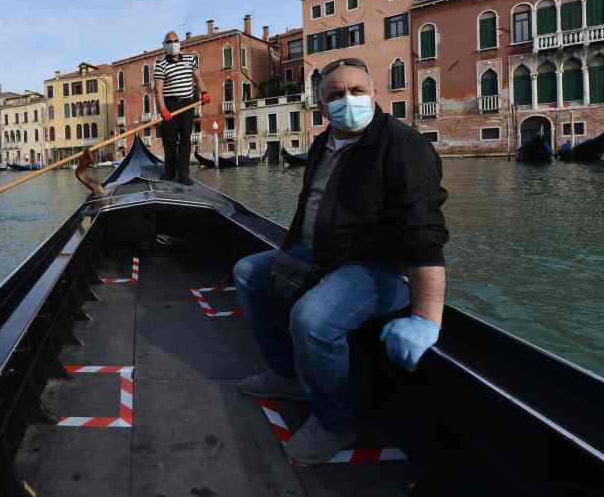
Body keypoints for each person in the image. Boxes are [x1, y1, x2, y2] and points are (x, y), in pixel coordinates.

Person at [233, 58, 448, 465]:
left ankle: (334, 421)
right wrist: (293, 252)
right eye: (335, 95)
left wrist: (426, 317)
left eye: (356, 91)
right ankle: (287, 374)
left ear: (374, 95)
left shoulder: (403, 144)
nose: (347, 100)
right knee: (249, 273)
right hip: (319, 254)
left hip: (378, 267)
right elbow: (309, 206)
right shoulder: (323, 142)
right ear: (322, 106)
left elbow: (424, 231)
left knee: (311, 320)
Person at [154, 31, 210, 184]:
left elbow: (197, 79)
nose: (173, 43)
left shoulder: (190, 59)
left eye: (175, 40)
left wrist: (204, 92)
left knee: (186, 140)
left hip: (188, 103)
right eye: (169, 41)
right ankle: (170, 172)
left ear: (179, 42)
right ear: (165, 45)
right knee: (169, 140)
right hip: (170, 104)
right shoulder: (160, 64)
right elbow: (158, 90)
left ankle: (184, 175)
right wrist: (163, 109)